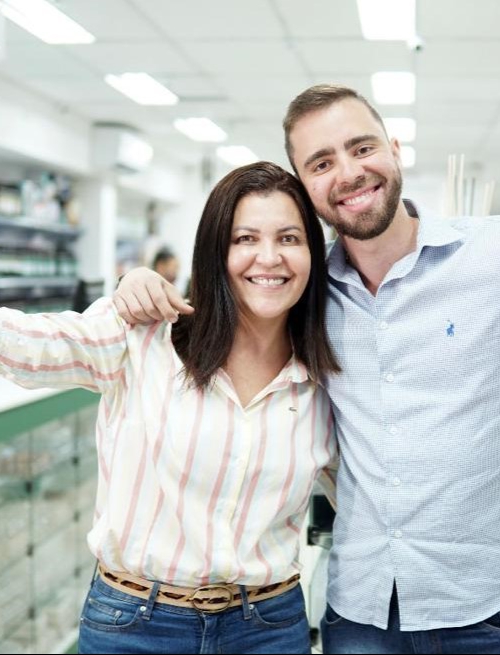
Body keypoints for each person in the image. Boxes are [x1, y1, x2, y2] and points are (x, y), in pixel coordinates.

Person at [110, 85, 500, 655]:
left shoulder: (499, 254)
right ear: (307, 188)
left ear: (394, 149)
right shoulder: (302, 300)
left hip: (476, 608)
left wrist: (478, 489)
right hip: (345, 614)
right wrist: (132, 284)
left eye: (362, 147)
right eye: (322, 162)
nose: (348, 173)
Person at [0, 162, 342, 655]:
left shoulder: (323, 382)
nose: (269, 258)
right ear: (214, 251)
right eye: (245, 239)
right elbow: (30, 345)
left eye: (289, 239)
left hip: (268, 627)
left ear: (313, 253)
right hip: (136, 626)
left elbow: (367, 497)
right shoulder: (144, 337)